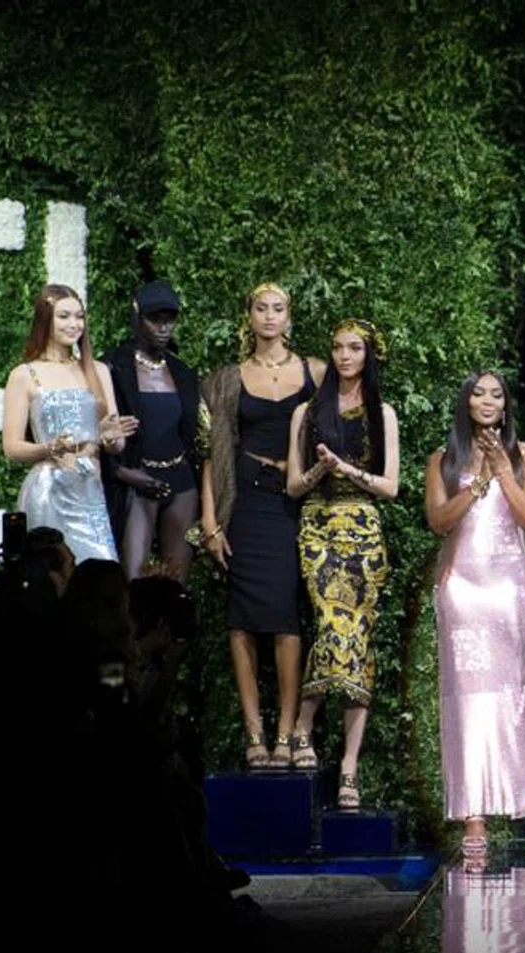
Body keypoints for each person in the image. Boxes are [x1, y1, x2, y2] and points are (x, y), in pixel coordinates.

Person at [427, 370, 525, 853]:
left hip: (506, 585)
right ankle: (473, 812)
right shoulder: (443, 459)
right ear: (465, 402)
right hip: (460, 588)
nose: (487, 400)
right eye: (478, 393)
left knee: (516, 690)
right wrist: (477, 484)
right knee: (466, 697)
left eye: (496, 394)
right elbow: (438, 521)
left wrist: (502, 470)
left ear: (506, 405)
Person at [198, 283, 323, 769]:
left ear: (289, 316)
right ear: (248, 316)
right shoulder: (228, 378)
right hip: (245, 504)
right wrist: (211, 522)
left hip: (293, 505)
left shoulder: (315, 371)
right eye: (261, 308)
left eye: (278, 309)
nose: (269, 316)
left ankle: (288, 731)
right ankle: (254, 731)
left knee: (286, 616)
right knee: (243, 618)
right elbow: (212, 453)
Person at [285, 319, 400, 810]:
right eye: (337, 347)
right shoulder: (307, 412)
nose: (344, 356)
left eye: (354, 348)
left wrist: (348, 468)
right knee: (333, 623)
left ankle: (346, 762)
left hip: (364, 528)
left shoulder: (382, 413)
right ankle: (303, 724)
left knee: (358, 637)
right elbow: (294, 486)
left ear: (368, 355)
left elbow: (390, 486)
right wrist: (320, 468)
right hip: (319, 526)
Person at [1, 285, 132, 563]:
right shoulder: (24, 375)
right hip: (49, 488)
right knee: (48, 574)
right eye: (64, 316)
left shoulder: (98, 370)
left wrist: (110, 438)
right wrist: (51, 448)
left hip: (90, 491)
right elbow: (12, 448)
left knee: (102, 571)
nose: (74, 324)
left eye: (79, 316)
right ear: (45, 319)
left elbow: (116, 443)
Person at [105, 281, 200, 580]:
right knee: (132, 581)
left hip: (181, 482)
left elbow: (191, 433)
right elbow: (97, 435)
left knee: (176, 584)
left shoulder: (183, 371)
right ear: (137, 317)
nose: (164, 327)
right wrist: (125, 473)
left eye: (170, 319)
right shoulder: (113, 367)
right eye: (155, 319)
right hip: (136, 480)